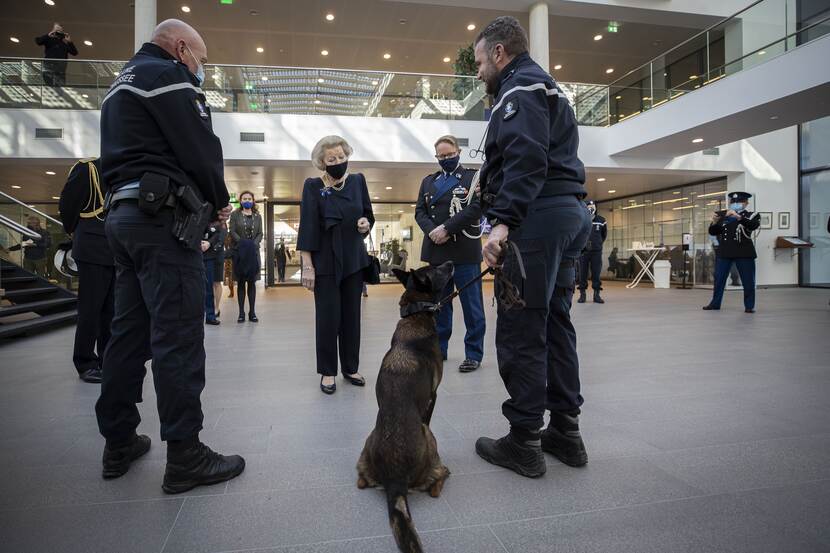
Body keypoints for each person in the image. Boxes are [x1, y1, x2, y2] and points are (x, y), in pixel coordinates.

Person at [95, 19, 244, 493]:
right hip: (162, 222)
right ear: (181, 48)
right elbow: (200, 148)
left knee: (126, 334)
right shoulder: (167, 76)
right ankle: (185, 455)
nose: (201, 68)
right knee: (177, 336)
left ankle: (118, 441)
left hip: (123, 218)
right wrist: (218, 198)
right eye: (200, 59)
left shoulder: (121, 82)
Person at [472, 16, 591, 478]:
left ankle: (523, 440)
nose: (479, 71)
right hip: (569, 213)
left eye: (481, 61)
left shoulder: (519, 88)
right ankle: (566, 430)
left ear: (499, 54)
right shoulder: (550, 87)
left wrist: (502, 224)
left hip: (537, 219)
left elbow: (526, 157)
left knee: (522, 328)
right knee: (556, 323)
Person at [297, 135, 374, 395]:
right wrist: (308, 266)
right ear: (322, 162)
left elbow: (367, 214)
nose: (338, 162)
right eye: (332, 159)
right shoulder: (312, 186)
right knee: (328, 318)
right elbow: (308, 227)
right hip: (325, 261)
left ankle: (350, 367)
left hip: (353, 258)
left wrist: (365, 223)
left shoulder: (357, 181)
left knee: (352, 317)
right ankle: (328, 371)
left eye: (342, 157)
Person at [415, 134, 486, 373]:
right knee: (440, 305)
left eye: (449, 154)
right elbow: (420, 212)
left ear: (458, 152)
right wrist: (433, 231)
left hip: (464, 251)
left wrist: (447, 228)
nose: (445, 159)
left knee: (472, 305)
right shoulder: (428, 181)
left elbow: (477, 207)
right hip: (437, 252)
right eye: (441, 156)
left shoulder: (472, 177)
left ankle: (473, 354)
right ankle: (439, 350)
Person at [58, 158, 114, 383]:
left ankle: (106, 360)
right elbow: (68, 205)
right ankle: (85, 362)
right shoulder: (87, 168)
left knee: (112, 311)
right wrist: (77, 232)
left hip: (116, 249)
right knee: (90, 309)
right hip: (92, 247)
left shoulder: (123, 166)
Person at [703, 191, 761, 313]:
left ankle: (749, 306)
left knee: (748, 280)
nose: (735, 204)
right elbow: (713, 232)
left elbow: (753, 225)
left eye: (739, 202)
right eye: (733, 202)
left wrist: (738, 217)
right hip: (725, 252)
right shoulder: (723, 215)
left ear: (746, 203)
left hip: (744, 252)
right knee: (719, 279)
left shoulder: (752, 215)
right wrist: (714, 221)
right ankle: (715, 303)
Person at [229, 191, 263, 322]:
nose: (247, 200)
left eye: (249, 198)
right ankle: (241, 313)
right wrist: (243, 243)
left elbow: (260, 233)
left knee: (252, 283)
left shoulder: (257, 216)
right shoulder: (234, 215)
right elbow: (231, 231)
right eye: (244, 198)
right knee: (241, 282)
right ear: (240, 201)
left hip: (253, 252)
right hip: (240, 252)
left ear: (253, 201)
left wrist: (253, 245)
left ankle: (252, 313)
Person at [577, 200, 607, 304]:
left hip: (596, 252)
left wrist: (597, 244)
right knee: (582, 273)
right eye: (588, 206)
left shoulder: (601, 220)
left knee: (596, 273)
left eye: (592, 206)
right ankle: (582, 294)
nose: (591, 208)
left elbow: (604, 235)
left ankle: (596, 295)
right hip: (583, 251)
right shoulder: (581, 219)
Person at [201, 218, 226, 325]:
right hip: (194, 252)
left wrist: (209, 243)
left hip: (210, 255)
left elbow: (219, 234)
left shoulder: (218, 220)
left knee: (210, 286)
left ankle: (210, 315)